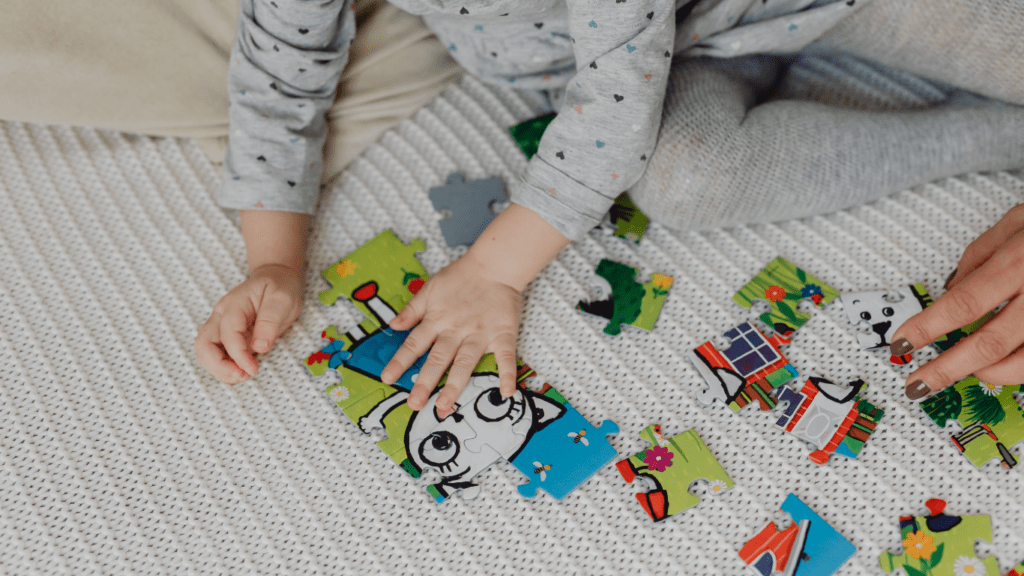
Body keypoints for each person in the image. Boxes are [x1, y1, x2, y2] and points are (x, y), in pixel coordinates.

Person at [191, 0, 1024, 415]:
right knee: (684, 180)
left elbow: (616, 104)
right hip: (684, 62)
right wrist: (273, 259)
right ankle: (1000, 139)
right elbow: (277, 78)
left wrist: (494, 270)